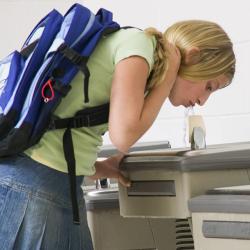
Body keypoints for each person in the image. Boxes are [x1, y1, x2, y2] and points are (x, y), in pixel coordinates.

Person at [0, 17, 235, 249]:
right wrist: (168, 78)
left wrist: (100, 167)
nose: (203, 101)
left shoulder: (143, 61)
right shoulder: (139, 46)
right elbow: (122, 136)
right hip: (33, 188)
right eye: (209, 87)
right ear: (192, 55)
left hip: (54, 187)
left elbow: (72, 121)